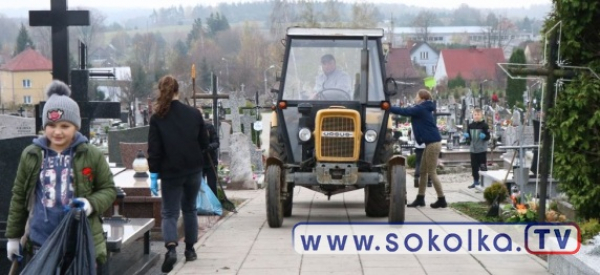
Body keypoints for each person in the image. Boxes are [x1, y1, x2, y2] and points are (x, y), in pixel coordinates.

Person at [5, 80, 117, 267]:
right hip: (41, 242)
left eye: (65, 126)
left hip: (78, 243)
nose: (57, 132)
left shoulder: (91, 154)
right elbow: (19, 197)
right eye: (51, 125)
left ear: (76, 127)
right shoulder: (32, 155)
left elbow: (108, 189)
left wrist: (90, 204)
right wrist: (14, 237)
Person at [147, 75, 209, 273]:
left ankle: (171, 249)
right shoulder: (194, 114)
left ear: (161, 91)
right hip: (193, 169)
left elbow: (154, 150)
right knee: (190, 209)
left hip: (170, 172)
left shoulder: (158, 118)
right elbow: (204, 144)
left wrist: (154, 173)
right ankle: (190, 250)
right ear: (178, 91)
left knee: (170, 212)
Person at [390, 89, 446, 208]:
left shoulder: (421, 108)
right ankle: (420, 198)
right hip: (430, 143)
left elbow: (404, 111)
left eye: (417, 96)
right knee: (423, 171)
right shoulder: (424, 107)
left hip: (433, 143)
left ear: (422, 98)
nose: (415, 98)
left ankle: (442, 199)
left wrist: (388, 107)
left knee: (431, 172)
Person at [464, 108, 491, 188]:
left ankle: (485, 182)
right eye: (475, 114)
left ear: (481, 115)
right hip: (473, 150)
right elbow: (468, 138)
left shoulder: (484, 125)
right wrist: (467, 138)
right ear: (473, 115)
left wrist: (485, 137)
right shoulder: (470, 126)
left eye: (478, 115)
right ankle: (476, 182)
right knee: (474, 167)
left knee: (482, 166)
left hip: (482, 150)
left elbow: (488, 137)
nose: (476, 116)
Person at [203, 121, 220, 196]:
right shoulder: (191, 128)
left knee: (212, 185)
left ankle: (214, 205)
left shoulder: (209, 127)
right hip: (197, 163)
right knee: (199, 187)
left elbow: (216, 142)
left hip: (211, 162)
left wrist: (209, 147)